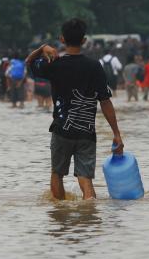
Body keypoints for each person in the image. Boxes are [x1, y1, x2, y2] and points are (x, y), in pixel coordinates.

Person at [26, 18, 124, 200]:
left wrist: (42, 48)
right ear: (84, 40)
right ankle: (90, 215)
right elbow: (105, 101)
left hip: (61, 130)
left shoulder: (55, 64)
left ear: (62, 39)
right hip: (87, 132)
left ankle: (61, 216)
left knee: (57, 174)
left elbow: (29, 63)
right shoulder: (95, 66)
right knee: (85, 179)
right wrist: (116, 133)